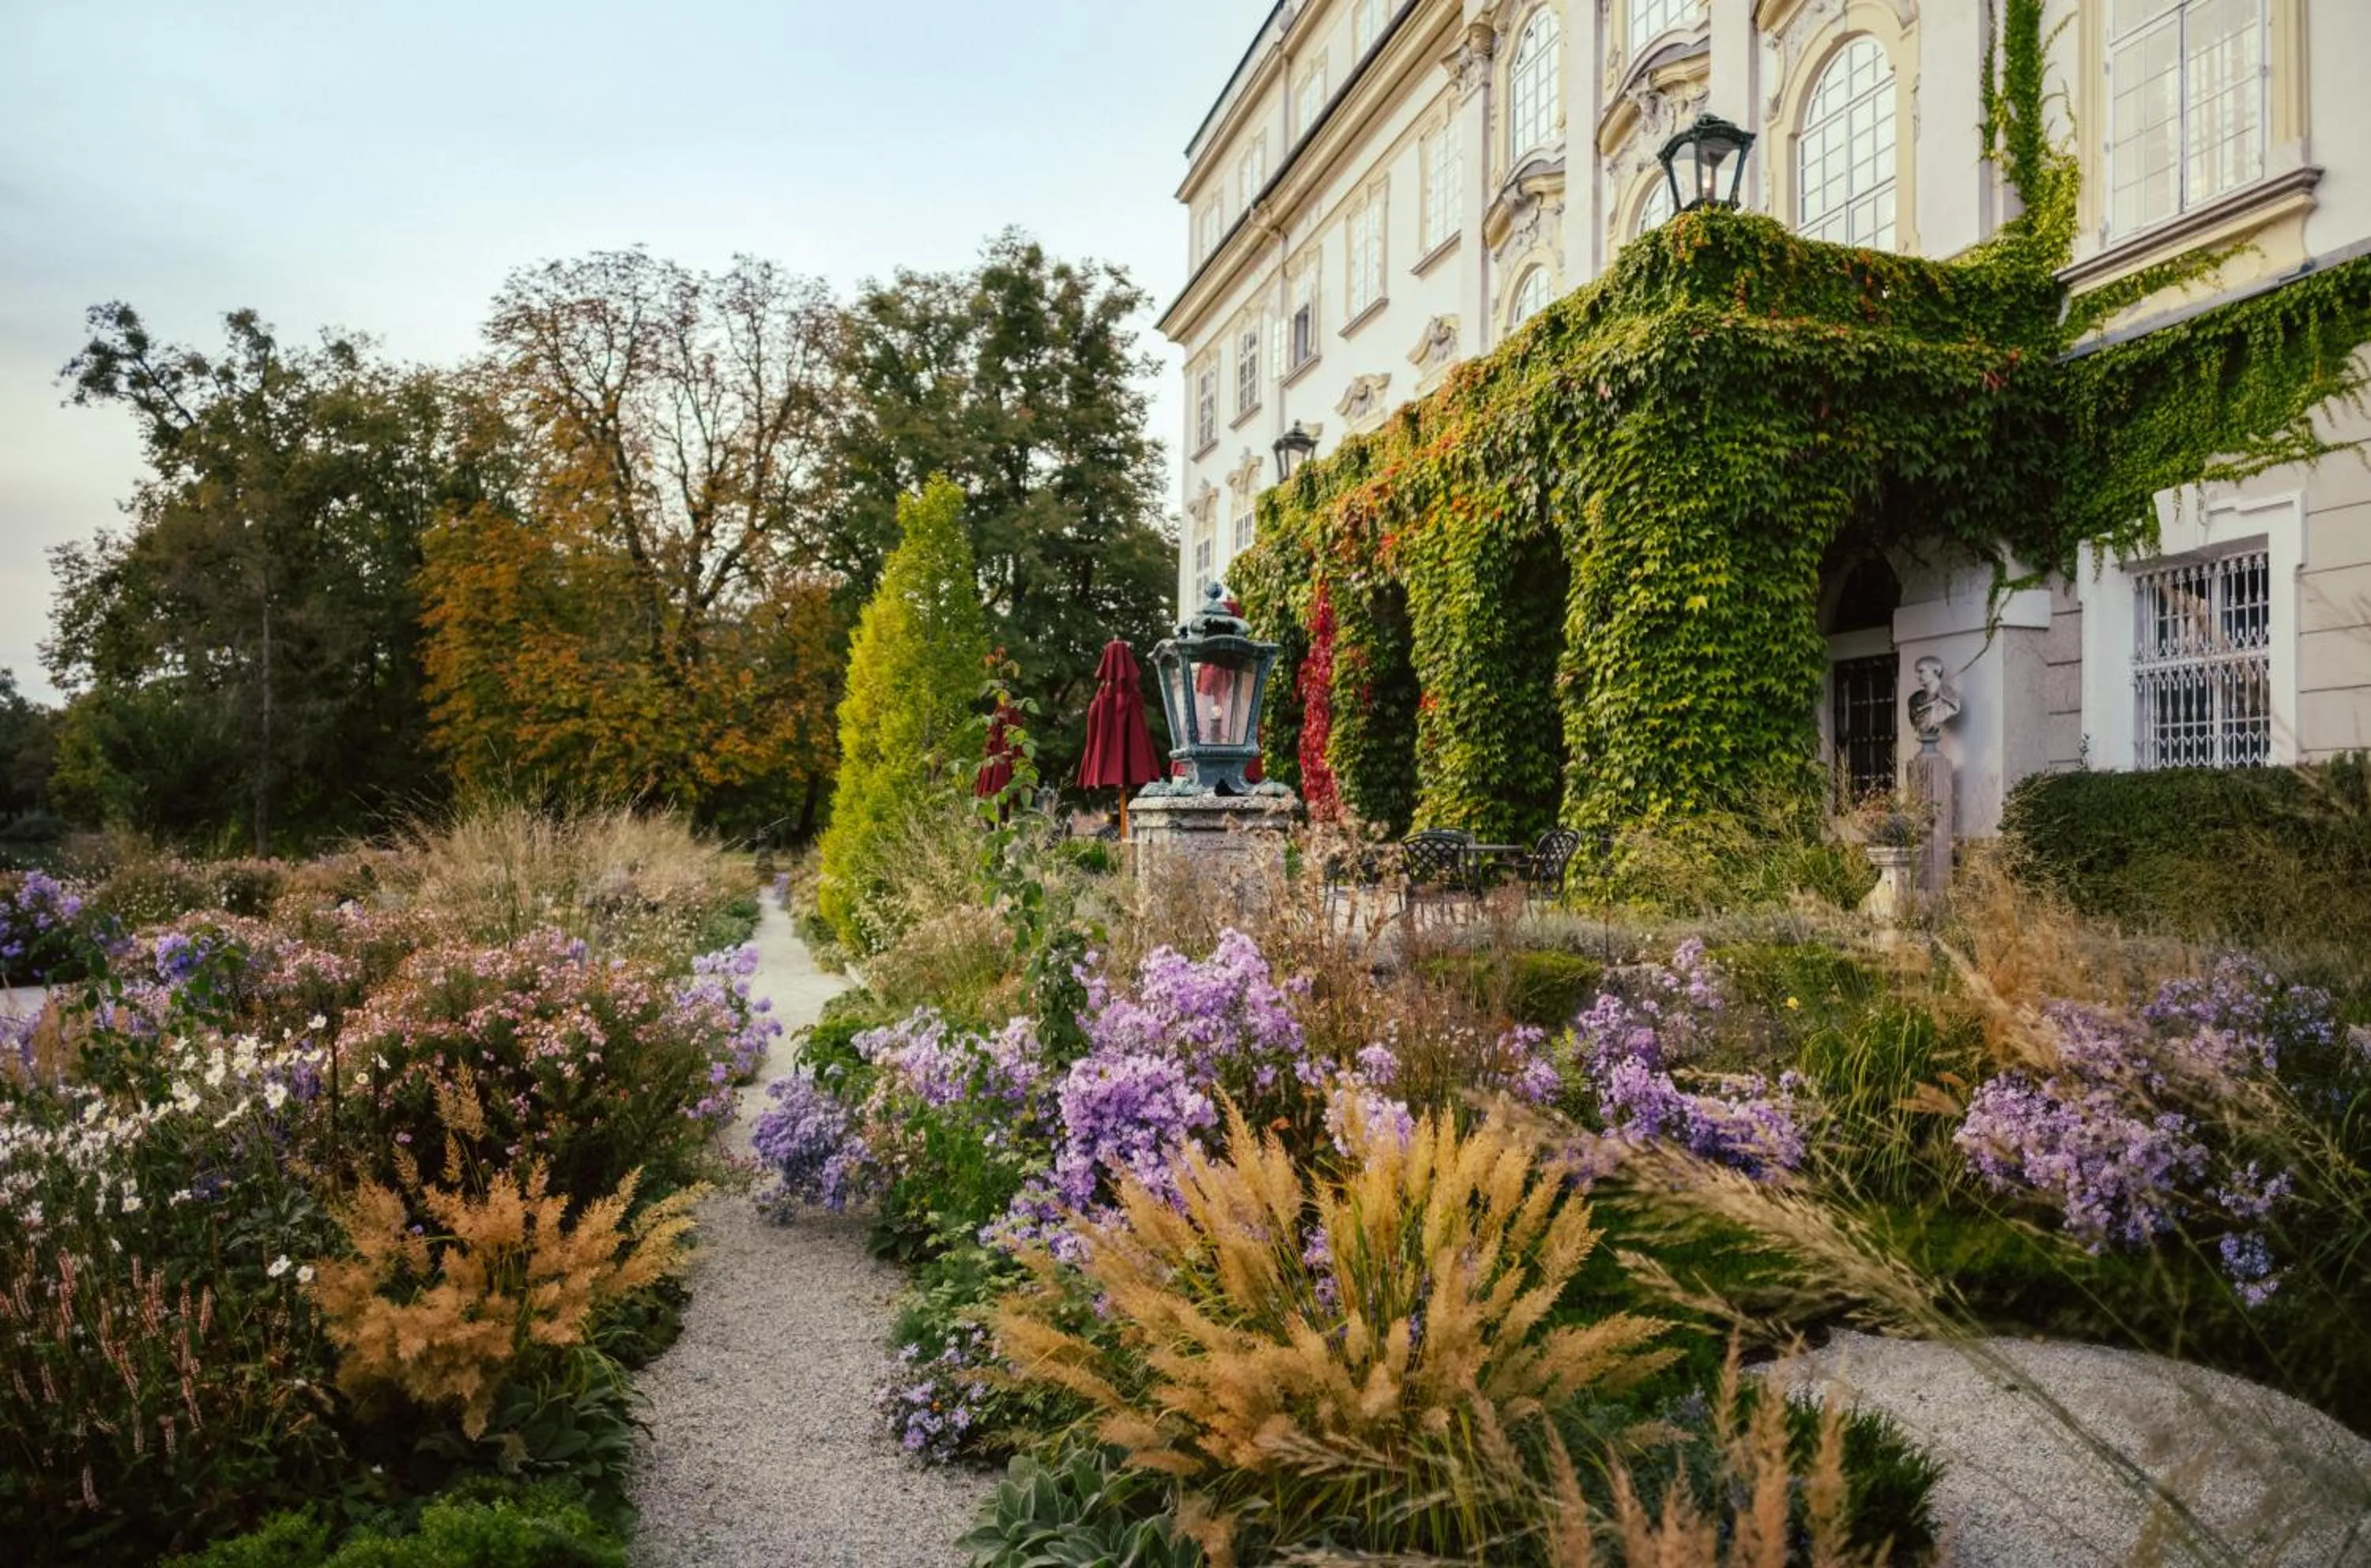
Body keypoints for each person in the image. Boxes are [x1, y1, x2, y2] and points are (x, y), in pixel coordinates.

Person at [1907, 655, 1960, 744]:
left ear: (1936, 672)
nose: (1917, 676)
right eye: (1916, 672)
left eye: (1921, 671)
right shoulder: (1915, 700)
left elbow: (1952, 707)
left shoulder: (1949, 700)